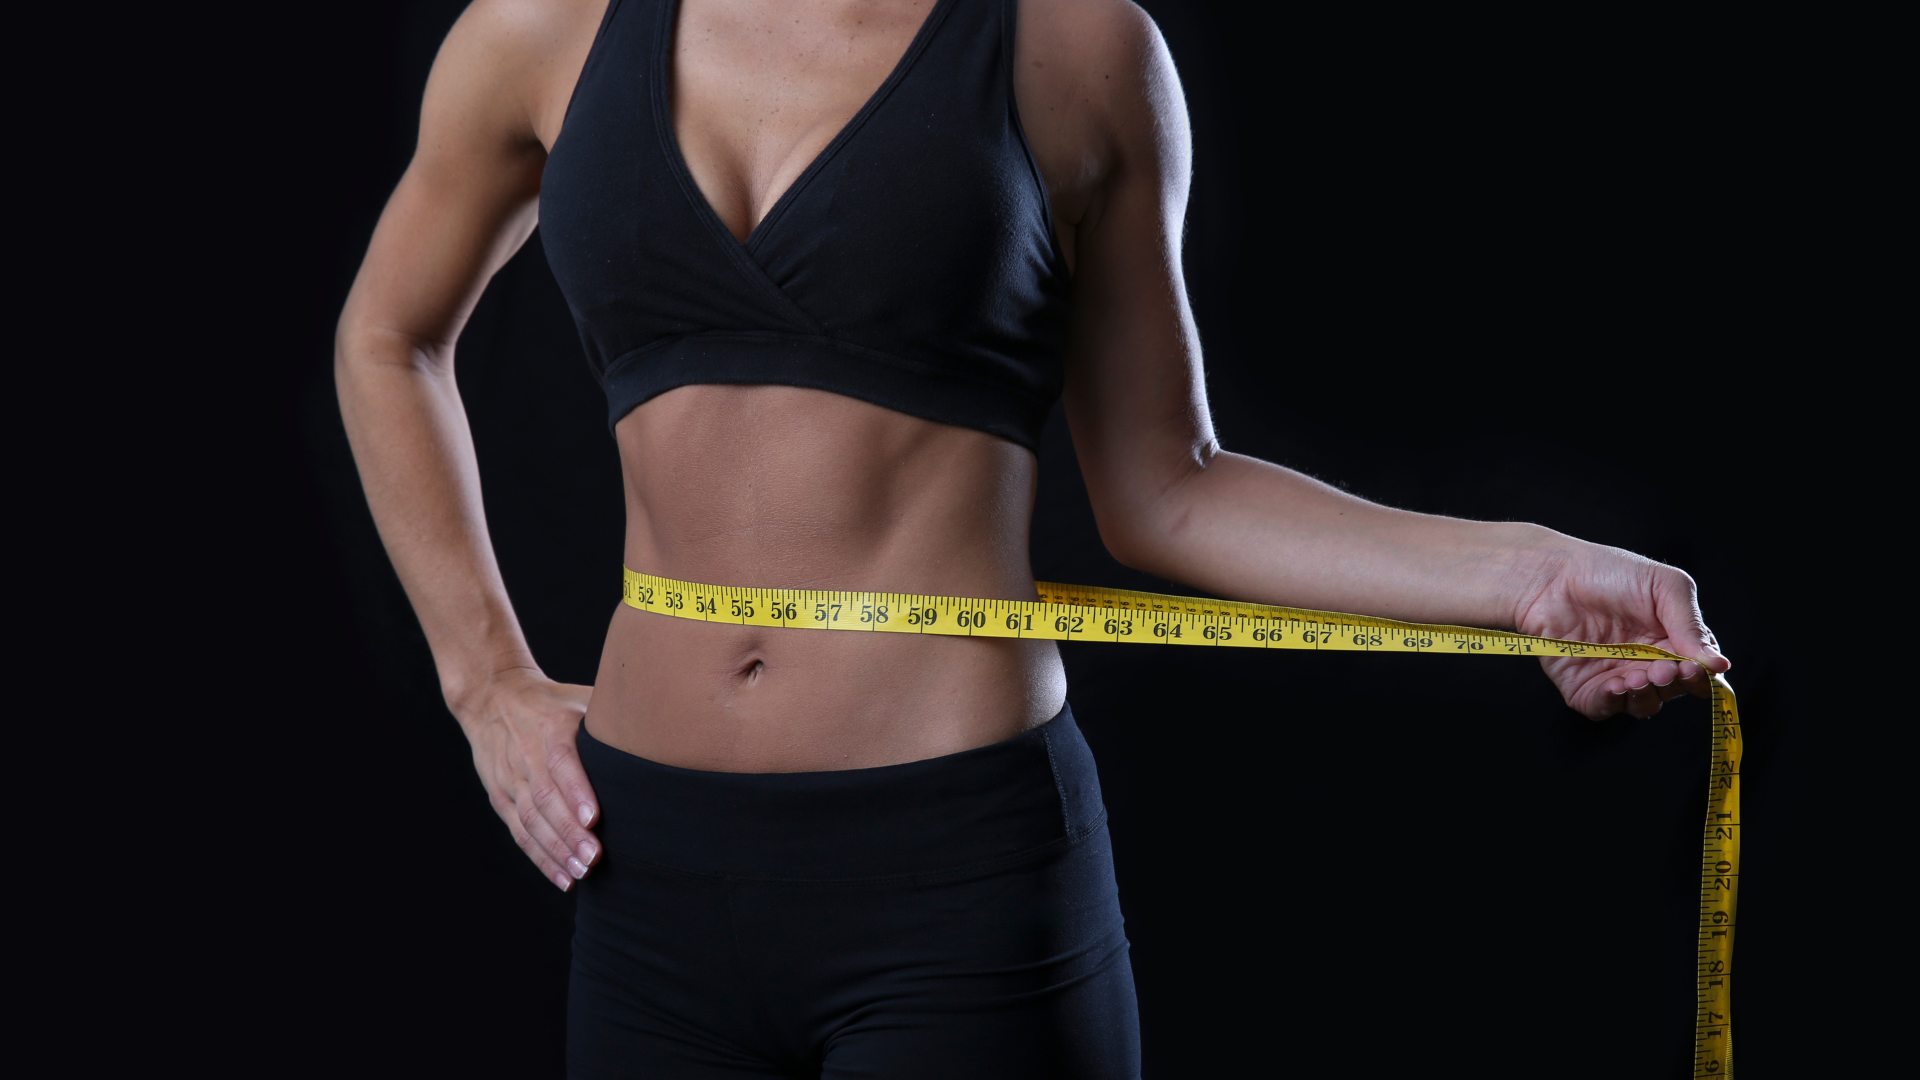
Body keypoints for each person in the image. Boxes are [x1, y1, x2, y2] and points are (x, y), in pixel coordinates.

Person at [335, 0, 1730, 1074]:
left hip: (952, 885)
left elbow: (1170, 487)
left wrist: (1533, 577)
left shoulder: (1072, 44)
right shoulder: (550, 28)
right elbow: (387, 338)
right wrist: (486, 685)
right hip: (644, 871)